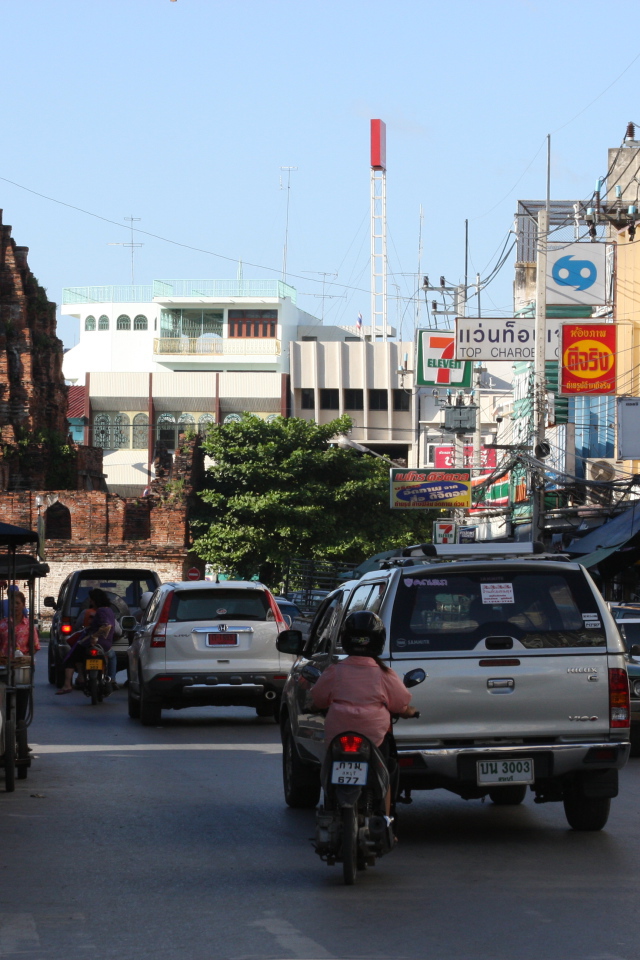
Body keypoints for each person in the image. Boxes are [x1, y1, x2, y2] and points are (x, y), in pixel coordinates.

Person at [310, 610, 417, 817]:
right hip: (374, 737)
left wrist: (314, 706)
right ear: (379, 640)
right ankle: (386, 819)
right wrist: (410, 712)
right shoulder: (384, 674)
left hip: (338, 735)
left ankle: (331, 807)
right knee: (386, 772)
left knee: (328, 764)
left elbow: (318, 699)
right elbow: (400, 704)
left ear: (345, 639)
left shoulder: (335, 671)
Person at [56, 588, 116, 694]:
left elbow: (106, 626)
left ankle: (68, 684)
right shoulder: (110, 610)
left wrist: (94, 636)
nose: (91, 602)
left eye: (91, 600)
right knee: (111, 656)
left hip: (95, 642)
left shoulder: (101, 611)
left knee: (71, 657)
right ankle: (109, 678)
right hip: (107, 644)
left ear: (95, 600)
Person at [0, 590, 40, 658]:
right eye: (12, 603)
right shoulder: (2, 624)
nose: (15, 606)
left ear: (23, 605)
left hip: (22, 665)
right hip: (4, 664)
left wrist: (24, 658)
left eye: (17, 603)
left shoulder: (29, 625)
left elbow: (35, 647)